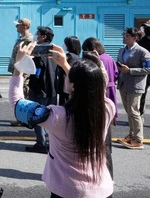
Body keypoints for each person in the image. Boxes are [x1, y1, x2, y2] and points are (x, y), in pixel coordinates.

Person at [10, 43, 114, 198]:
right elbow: (90, 86)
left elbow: (16, 102)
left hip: (68, 190)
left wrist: (18, 67)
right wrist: (65, 64)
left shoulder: (57, 116)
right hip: (102, 189)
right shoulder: (107, 108)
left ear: (72, 85)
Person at [81, 36, 119, 177]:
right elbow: (115, 74)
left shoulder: (96, 60)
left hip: (99, 94)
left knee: (99, 141)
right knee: (106, 137)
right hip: (110, 92)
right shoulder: (109, 57)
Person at [116, 27, 150, 149]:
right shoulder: (121, 50)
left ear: (134, 38)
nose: (124, 37)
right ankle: (131, 135)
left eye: (127, 36)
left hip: (136, 85)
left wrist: (130, 70)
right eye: (124, 35)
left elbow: (148, 69)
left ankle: (138, 139)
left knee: (134, 111)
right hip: (123, 84)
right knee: (129, 111)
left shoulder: (143, 52)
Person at [25, 26, 57, 154]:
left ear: (44, 36)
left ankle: (41, 143)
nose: (36, 36)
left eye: (38, 34)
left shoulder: (39, 51)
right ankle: (50, 142)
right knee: (50, 117)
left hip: (39, 89)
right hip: (52, 88)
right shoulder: (55, 50)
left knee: (37, 116)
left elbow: (33, 70)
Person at [8, 18, 33, 126]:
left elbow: (27, 56)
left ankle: (23, 119)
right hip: (17, 69)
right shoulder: (22, 38)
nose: (16, 27)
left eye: (18, 25)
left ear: (24, 26)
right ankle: (22, 118)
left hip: (22, 71)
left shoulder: (29, 39)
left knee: (22, 95)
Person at [57, 36, 81, 106]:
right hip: (73, 86)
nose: (63, 45)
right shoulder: (77, 56)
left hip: (65, 86)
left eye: (65, 43)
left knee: (64, 105)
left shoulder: (69, 56)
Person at [137, 21, 150, 116]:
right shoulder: (141, 42)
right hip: (145, 72)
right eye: (146, 28)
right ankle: (140, 115)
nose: (147, 29)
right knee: (142, 94)